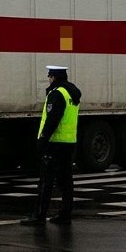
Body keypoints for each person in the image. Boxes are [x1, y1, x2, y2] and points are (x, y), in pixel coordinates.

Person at [21, 65, 82, 226]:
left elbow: (52, 119)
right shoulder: (72, 93)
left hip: (55, 143)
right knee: (66, 180)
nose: (48, 79)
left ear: (54, 77)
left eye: (49, 76)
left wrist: (43, 139)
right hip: (69, 143)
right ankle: (65, 213)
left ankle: (39, 215)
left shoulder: (57, 94)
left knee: (46, 181)